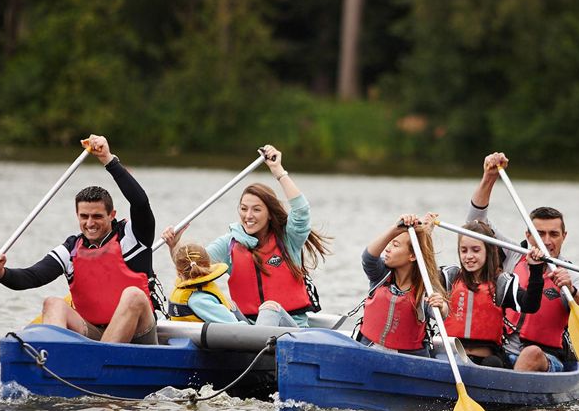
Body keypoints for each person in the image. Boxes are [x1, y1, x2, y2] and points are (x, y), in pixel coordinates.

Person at [0, 135, 158, 344]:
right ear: (77, 216)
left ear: (112, 215)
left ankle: (96, 364)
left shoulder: (132, 237)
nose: (90, 223)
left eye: (97, 216)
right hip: (97, 335)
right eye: (84, 216)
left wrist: (108, 160)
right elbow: (32, 277)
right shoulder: (72, 249)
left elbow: (140, 203)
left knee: (133, 295)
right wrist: (1, 272)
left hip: (139, 334)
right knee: (53, 303)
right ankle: (55, 363)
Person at [163, 145, 330, 328]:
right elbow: (191, 268)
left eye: (256, 209)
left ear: (270, 214)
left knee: (269, 308)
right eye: (244, 209)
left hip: (289, 328)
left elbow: (301, 211)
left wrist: (278, 171)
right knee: (224, 303)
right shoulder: (229, 243)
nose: (248, 216)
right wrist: (174, 245)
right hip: (247, 331)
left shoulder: (288, 237)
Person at [467, 152, 579, 372]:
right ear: (528, 235)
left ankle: (507, 393)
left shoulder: (571, 274)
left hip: (546, 358)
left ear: (564, 236)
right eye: (540, 234)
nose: (546, 241)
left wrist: (572, 291)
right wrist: (489, 177)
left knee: (531, 353)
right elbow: (475, 223)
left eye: (554, 234)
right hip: (502, 351)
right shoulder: (513, 255)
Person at [439, 219, 547, 368]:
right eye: (464, 250)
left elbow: (531, 305)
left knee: (494, 363)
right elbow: (416, 272)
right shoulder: (449, 277)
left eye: (476, 250)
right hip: (449, 358)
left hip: (486, 361)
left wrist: (535, 269)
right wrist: (421, 232)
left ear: (489, 251)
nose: (469, 256)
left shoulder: (501, 284)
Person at [357, 214, 448, 357]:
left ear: (412, 256)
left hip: (408, 360)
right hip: (370, 349)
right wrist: (395, 230)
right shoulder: (381, 275)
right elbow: (368, 258)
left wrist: (442, 306)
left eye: (395, 245)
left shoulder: (424, 288)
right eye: (389, 243)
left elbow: (440, 313)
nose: (387, 249)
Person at [161, 238, 295, 327]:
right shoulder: (200, 300)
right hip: (249, 348)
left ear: (179, 272)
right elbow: (236, 328)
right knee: (270, 307)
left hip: (212, 341)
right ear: (208, 266)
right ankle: (305, 339)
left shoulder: (184, 295)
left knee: (232, 305)